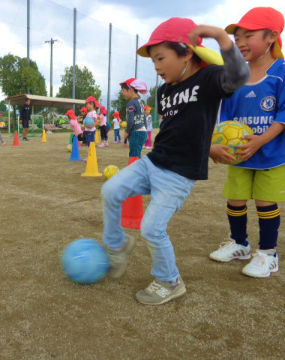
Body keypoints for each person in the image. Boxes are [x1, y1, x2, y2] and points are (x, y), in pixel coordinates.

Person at [101, 17, 249, 305]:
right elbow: (182, 127)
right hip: (152, 161)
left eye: (160, 58)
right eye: (153, 60)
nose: (155, 66)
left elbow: (239, 77)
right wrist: (208, 148)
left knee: (152, 228)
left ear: (186, 53)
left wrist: (220, 36)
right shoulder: (164, 91)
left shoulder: (209, 79)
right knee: (110, 190)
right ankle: (118, 245)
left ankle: (170, 281)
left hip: (178, 174)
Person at [209, 7, 285, 278]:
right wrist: (218, 144)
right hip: (239, 155)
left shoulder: (281, 72)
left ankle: (267, 254)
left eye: (247, 35)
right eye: (236, 37)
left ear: (271, 37)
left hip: (272, 154)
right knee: (236, 198)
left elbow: (283, 113)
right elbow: (225, 116)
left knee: (265, 202)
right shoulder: (235, 76)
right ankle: (239, 244)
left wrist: (261, 140)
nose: (239, 42)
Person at [120, 78, 149, 158]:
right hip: (142, 132)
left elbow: (130, 119)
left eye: (123, 91)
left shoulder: (131, 103)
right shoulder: (140, 102)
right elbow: (144, 118)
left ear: (130, 90)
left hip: (135, 132)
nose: (123, 94)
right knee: (137, 154)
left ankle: (135, 170)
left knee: (133, 156)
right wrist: (145, 130)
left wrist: (127, 132)